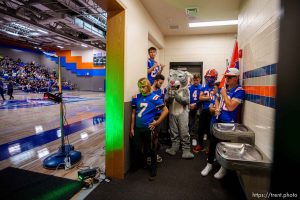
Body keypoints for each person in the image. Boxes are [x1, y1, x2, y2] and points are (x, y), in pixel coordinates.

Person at [201, 68, 245, 179]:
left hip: (228, 122)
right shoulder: (223, 88)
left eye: (229, 77)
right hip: (218, 119)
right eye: (226, 76)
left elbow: (231, 107)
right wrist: (216, 107)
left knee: (225, 146)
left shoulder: (239, 91)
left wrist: (224, 94)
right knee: (213, 143)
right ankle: (209, 164)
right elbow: (217, 99)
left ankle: (223, 168)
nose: (227, 79)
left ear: (236, 78)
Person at [130, 78, 168, 181]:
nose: (141, 89)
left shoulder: (155, 97)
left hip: (149, 127)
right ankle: (141, 164)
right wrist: (132, 127)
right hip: (138, 127)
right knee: (137, 148)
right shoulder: (136, 97)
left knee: (152, 148)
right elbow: (133, 114)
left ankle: (153, 168)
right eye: (140, 87)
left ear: (147, 86)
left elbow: (165, 110)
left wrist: (157, 122)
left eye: (143, 86)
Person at [193, 69, 218, 153]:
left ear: (214, 78)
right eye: (207, 77)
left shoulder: (217, 86)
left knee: (210, 130)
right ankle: (200, 144)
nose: (207, 79)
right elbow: (200, 97)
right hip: (204, 110)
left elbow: (217, 99)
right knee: (200, 129)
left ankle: (209, 147)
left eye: (209, 77)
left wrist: (207, 98)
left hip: (213, 111)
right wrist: (211, 97)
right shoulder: (204, 86)